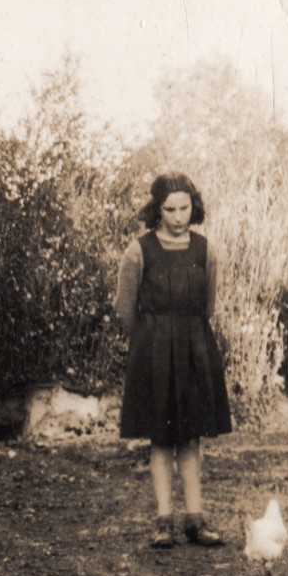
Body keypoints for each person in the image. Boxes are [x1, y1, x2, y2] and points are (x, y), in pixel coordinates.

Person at [115, 172, 233, 549]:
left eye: (184, 208)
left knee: (191, 437)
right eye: (170, 209)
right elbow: (125, 310)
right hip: (153, 351)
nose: (178, 216)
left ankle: (195, 521)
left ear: (192, 207)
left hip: (195, 349)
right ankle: (163, 521)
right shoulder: (139, 250)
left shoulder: (206, 250)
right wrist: (151, 341)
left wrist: (188, 339)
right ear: (157, 209)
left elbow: (209, 306)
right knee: (162, 438)